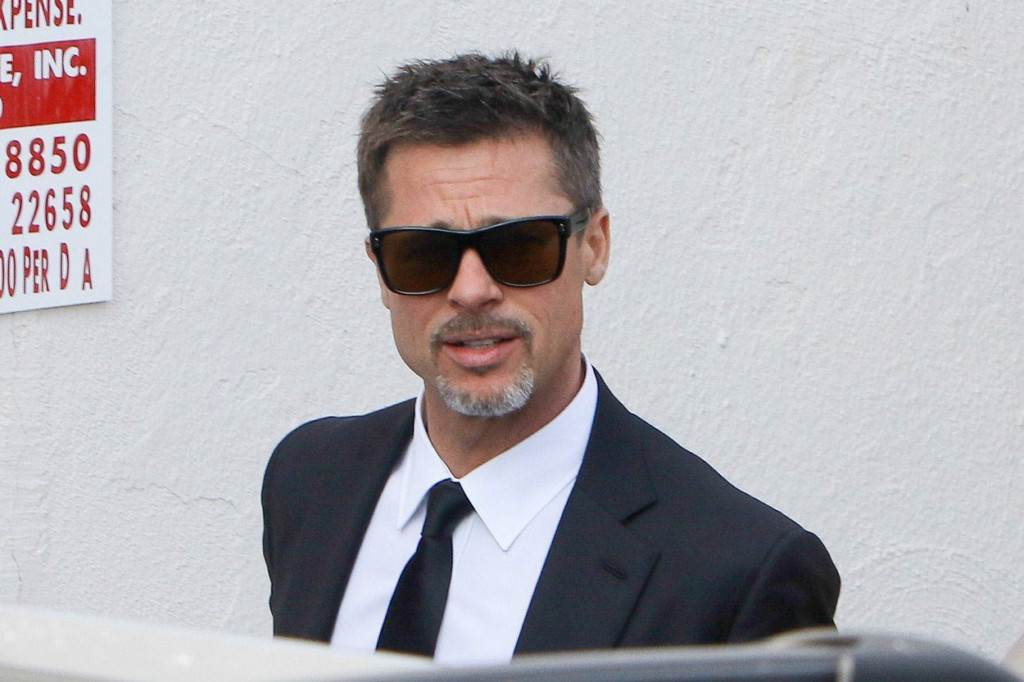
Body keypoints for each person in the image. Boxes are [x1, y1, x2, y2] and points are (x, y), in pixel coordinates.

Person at [262, 52, 840, 665]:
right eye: (423, 253)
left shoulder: (737, 573)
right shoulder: (311, 480)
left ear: (595, 246)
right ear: (380, 269)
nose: (471, 290)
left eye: (519, 245)